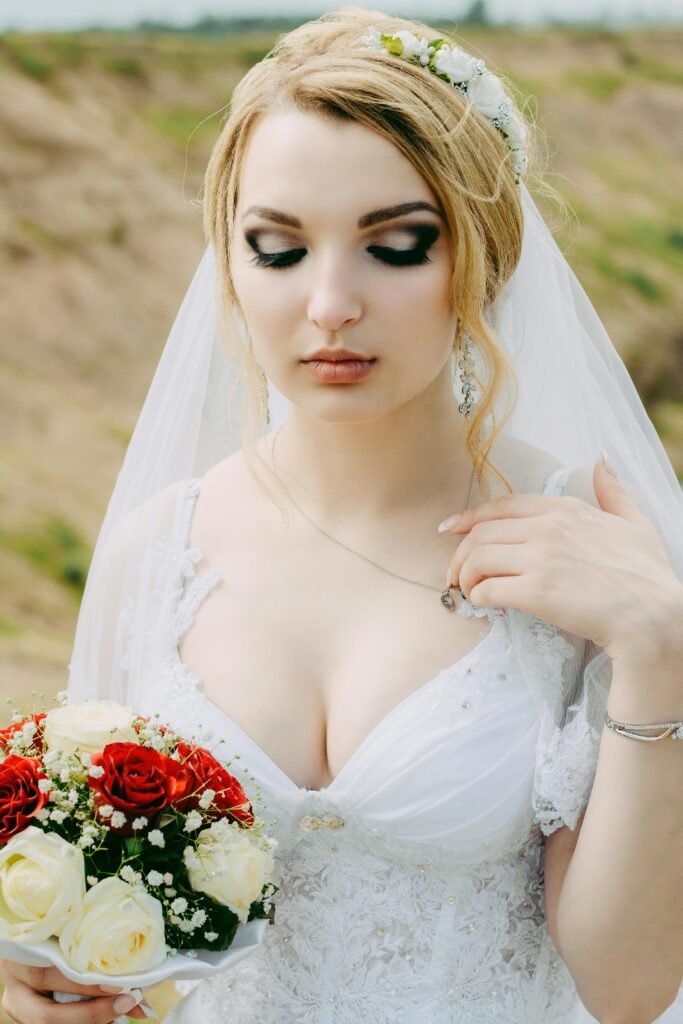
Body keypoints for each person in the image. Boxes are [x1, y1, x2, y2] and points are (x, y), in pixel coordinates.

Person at [3, 6, 683, 1023]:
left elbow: (626, 988)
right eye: (276, 248)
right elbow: (97, 923)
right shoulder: (160, 550)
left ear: (480, 258)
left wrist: (657, 643)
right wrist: (41, 980)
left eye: (395, 245)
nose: (327, 304)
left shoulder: (574, 548)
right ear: (227, 266)